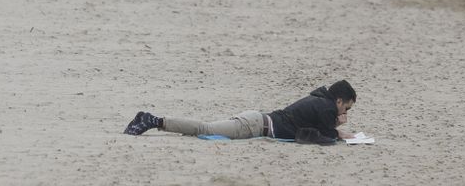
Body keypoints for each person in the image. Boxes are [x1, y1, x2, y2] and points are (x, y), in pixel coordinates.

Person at [123, 80, 358, 143]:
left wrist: (335, 128)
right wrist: (337, 132)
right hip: (254, 125)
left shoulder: (319, 100)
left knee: (205, 129)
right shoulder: (326, 107)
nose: (345, 111)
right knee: (205, 128)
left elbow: (312, 128)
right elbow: (319, 136)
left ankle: (154, 120)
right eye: (346, 107)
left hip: (257, 120)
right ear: (339, 100)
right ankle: (152, 120)